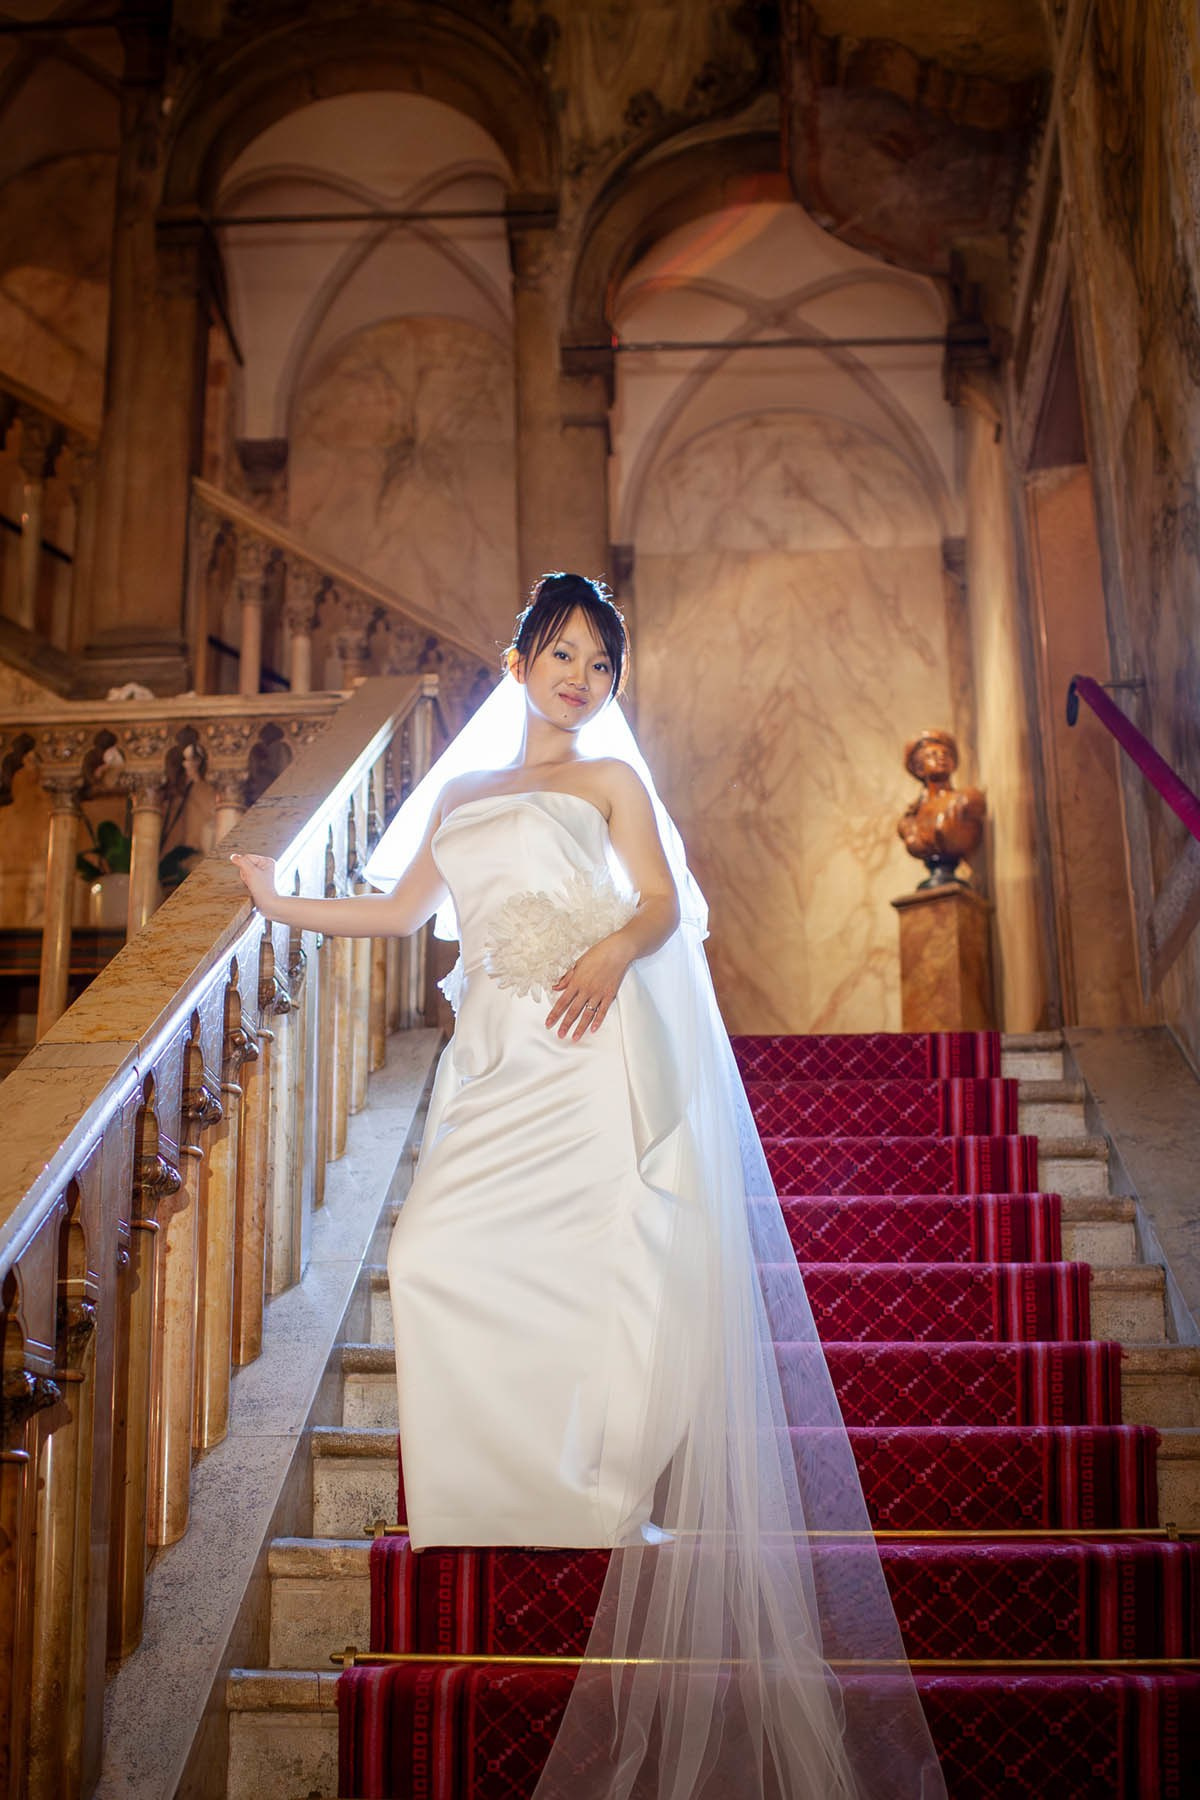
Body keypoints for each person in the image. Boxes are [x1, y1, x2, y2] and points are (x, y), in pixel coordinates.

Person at [232, 573, 947, 1800]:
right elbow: (405, 915)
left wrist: (616, 949)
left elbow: (664, 903)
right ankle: (494, 1481)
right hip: (497, 1054)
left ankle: (598, 1485)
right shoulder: (460, 793)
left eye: (600, 663)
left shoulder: (613, 781)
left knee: (615, 1253)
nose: (579, 676)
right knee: (433, 1256)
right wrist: (275, 898)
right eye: (561, 653)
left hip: (589, 1038)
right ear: (516, 659)